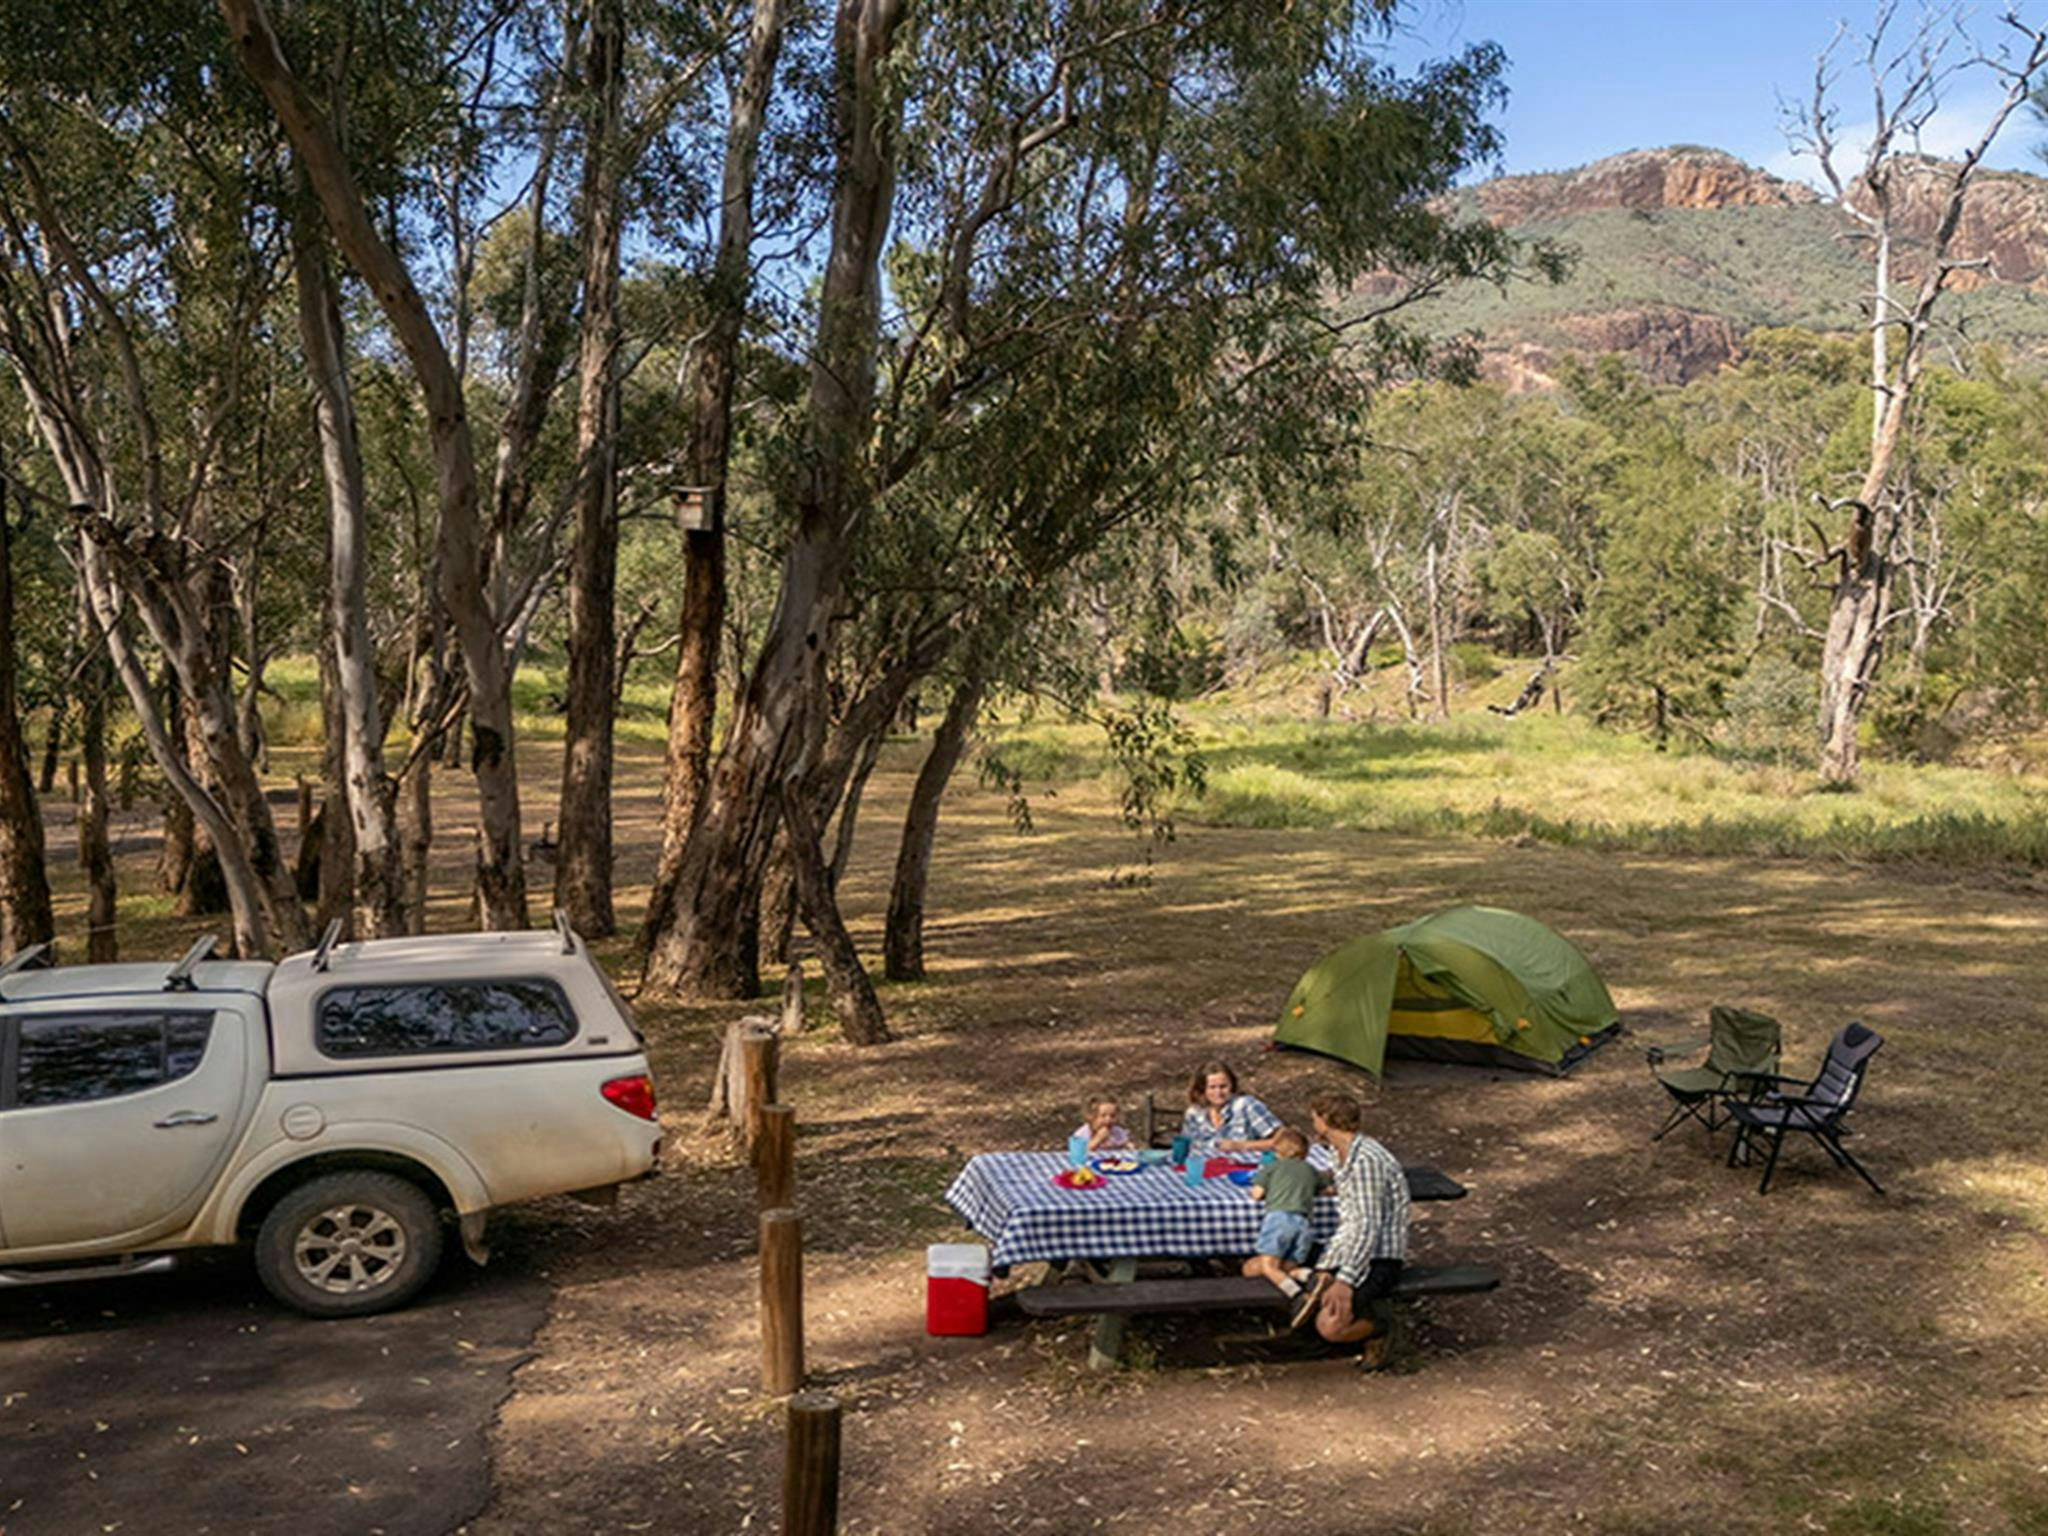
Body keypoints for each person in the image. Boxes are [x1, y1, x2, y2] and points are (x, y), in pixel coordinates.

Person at [1292, 1089, 1410, 1368]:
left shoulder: (1367, 1161)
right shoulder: (1338, 1152)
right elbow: (1342, 1188)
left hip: (1377, 1256)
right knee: (1288, 1259)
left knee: (1331, 1325)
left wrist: (1345, 1279)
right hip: (1346, 1244)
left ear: (1326, 1121)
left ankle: (1381, 1329)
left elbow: (1367, 1226)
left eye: (1315, 1118)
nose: (1313, 1125)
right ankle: (1313, 1315)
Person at [1241, 1127, 1327, 1298]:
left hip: (1279, 1220)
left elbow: (1257, 1194)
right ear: (1305, 1152)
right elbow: (1326, 1190)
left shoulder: (1271, 1168)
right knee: (1288, 1266)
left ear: (1277, 1152)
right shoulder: (1311, 1170)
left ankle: (1294, 1294)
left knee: (1269, 1266)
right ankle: (1305, 1275)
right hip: (1304, 1223)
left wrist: (1254, 1191)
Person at [1180, 1060, 1281, 1156]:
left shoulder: (1246, 1105)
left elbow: (1285, 1140)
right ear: (1203, 1089)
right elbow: (1186, 1146)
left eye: (1223, 1086)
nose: (1218, 1093)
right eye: (1212, 1087)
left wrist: (1241, 1146)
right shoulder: (1194, 1114)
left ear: (1232, 1086)